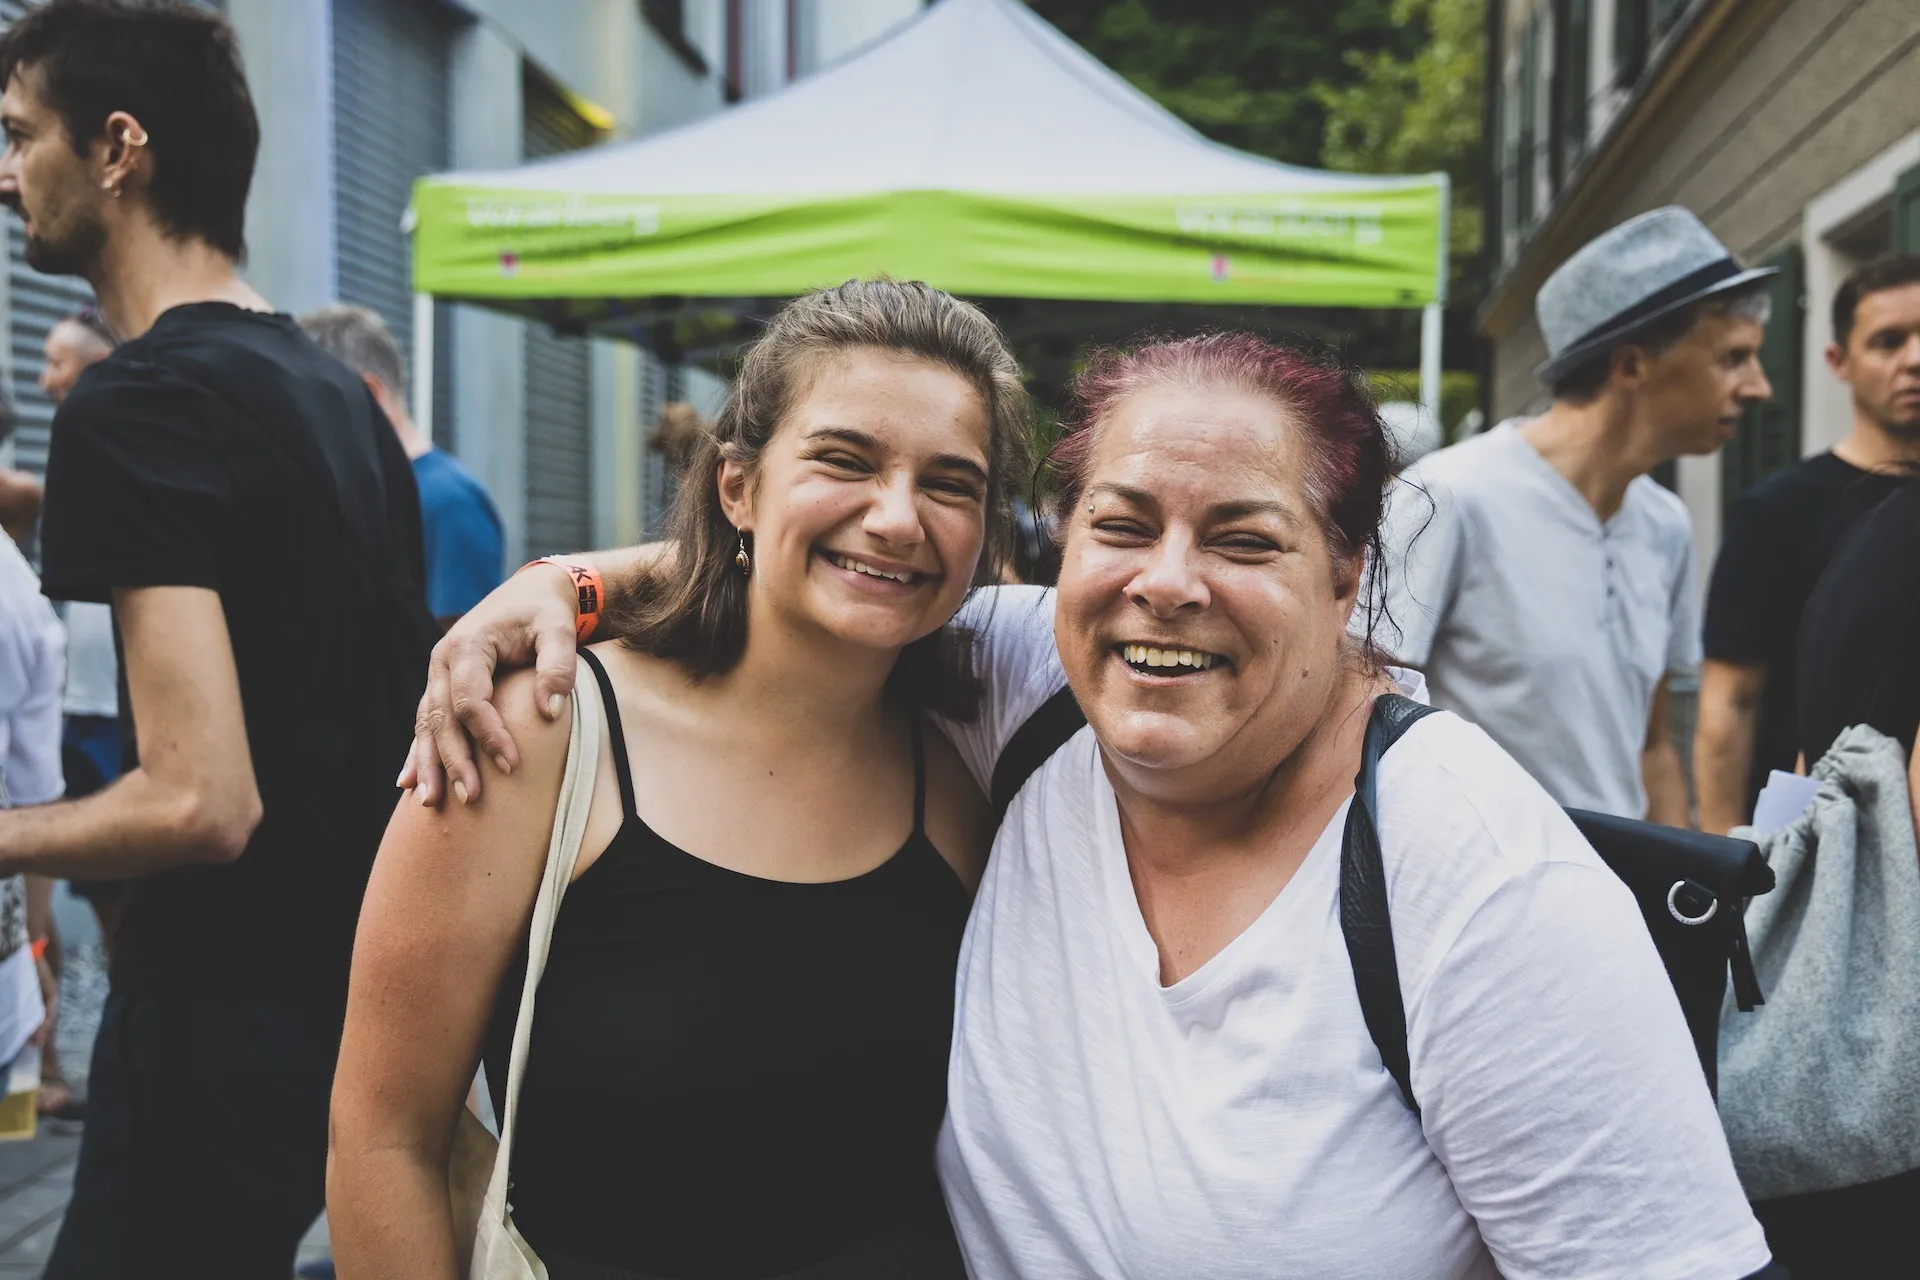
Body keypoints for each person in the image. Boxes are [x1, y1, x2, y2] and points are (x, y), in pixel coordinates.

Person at [402, 330, 1776, 1278]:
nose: (1166, 582)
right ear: (1062, 552)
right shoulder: (1044, 683)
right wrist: (562, 590)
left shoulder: (1464, 862)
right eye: (1122, 525)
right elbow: (817, 566)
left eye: (1245, 538)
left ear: (1348, 576)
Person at [330, 280, 1026, 1278]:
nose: (897, 515)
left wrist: (570, 579)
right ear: (737, 485)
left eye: (951, 481)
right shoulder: (542, 734)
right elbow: (383, 1136)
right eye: (844, 459)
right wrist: (560, 584)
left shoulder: (968, 769)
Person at [0, 3, 434, 1274]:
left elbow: (201, 799)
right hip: (345, 1011)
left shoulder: (136, 402)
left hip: (208, 1021)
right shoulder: (336, 398)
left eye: (20, 134)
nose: (3, 169)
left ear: (118, 147)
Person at [1377, 207, 1773, 821]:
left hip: (1619, 893)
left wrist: (1678, 895)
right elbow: (1365, 723)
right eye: (1732, 358)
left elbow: (1651, 748)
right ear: (1632, 365)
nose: (1758, 386)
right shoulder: (1447, 496)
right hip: (1477, 896)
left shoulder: (1665, 523)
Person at [1694, 253, 1920, 832]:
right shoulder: (1776, 511)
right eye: (1888, 341)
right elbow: (1730, 703)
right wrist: (1723, 870)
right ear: (1838, 361)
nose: (1915, 359)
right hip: (1814, 847)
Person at [301, 303, 504, 630]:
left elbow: (465, 648)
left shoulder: (450, 503)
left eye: (313, 401)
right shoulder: (372, 492)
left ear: (367, 393)